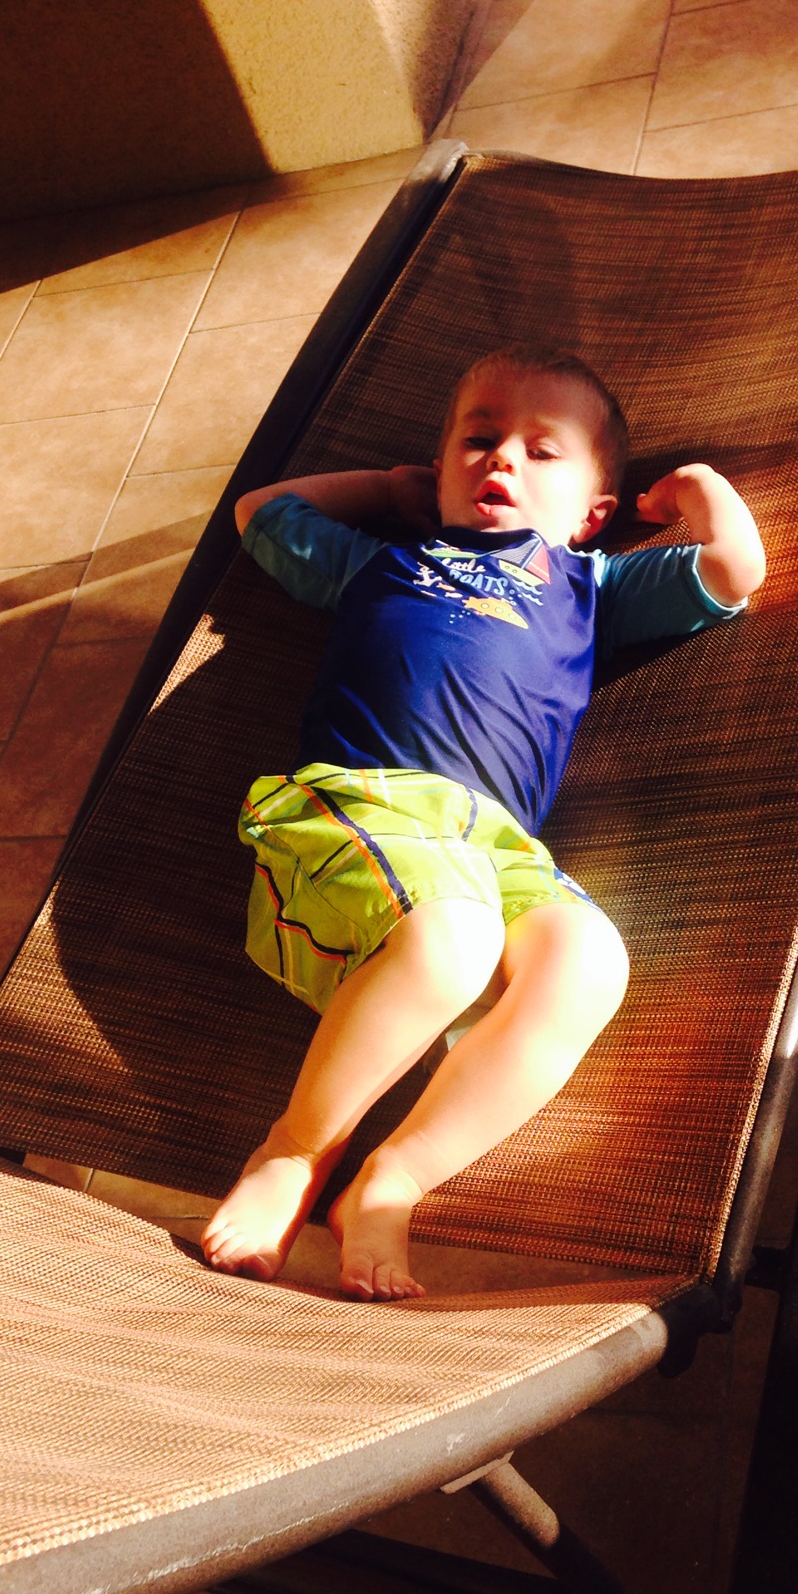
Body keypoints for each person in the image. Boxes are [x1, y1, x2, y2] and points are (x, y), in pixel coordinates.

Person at [201, 345, 766, 1300]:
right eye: (479, 440)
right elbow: (261, 511)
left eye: (543, 452)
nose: (502, 458)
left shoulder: (591, 587)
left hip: (496, 842)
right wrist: (385, 490)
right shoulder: (382, 563)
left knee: (590, 961)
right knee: (455, 939)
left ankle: (397, 1175)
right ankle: (295, 1149)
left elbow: (733, 569)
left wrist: (699, 487)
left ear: (592, 515)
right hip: (359, 803)